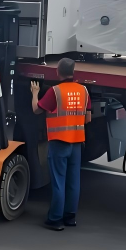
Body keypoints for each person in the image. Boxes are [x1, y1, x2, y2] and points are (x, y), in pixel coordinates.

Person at [31, 58, 91, 231]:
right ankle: (70, 217)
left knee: (59, 182)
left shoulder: (54, 91)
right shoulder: (84, 91)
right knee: (74, 182)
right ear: (73, 72)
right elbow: (88, 118)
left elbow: (36, 109)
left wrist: (35, 93)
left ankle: (55, 219)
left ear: (58, 71)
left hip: (59, 142)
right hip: (77, 143)